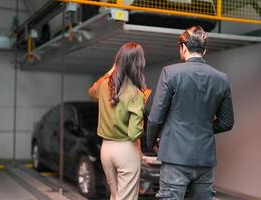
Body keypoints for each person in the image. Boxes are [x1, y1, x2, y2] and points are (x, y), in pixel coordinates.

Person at [146, 26, 234, 200]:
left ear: (183, 47)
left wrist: (152, 143)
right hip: (204, 159)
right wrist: (202, 127)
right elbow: (226, 122)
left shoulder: (170, 73)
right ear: (205, 50)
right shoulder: (221, 78)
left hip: (174, 156)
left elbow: (155, 118)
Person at [88, 42, 151, 200]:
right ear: (138, 64)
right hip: (126, 150)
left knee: (114, 196)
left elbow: (91, 92)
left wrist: (110, 72)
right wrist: (142, 103)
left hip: (106, 150)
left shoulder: (104, 86)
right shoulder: (135, 94)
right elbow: (134, 132)